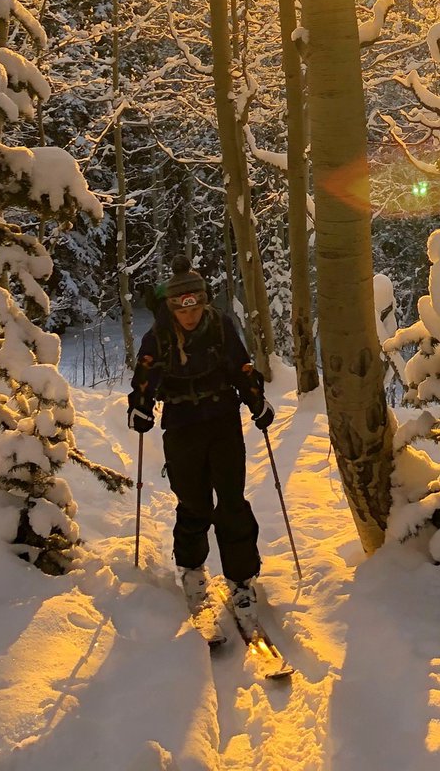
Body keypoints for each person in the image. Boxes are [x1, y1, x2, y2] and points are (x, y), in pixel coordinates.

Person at [127, 254, 275, 631]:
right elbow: (145, 375)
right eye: (181, 307)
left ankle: (241, 580)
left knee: (231, 501)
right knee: (193, 502)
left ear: (203, 301)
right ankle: (193, 573)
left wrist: (256, 399)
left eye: (195, 305)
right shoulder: (159, 335)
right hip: (182, 425)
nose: (189, 314)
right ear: (172, 306)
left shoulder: (220, 326)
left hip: (222, 421)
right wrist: (140, 407)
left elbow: (241, 367)